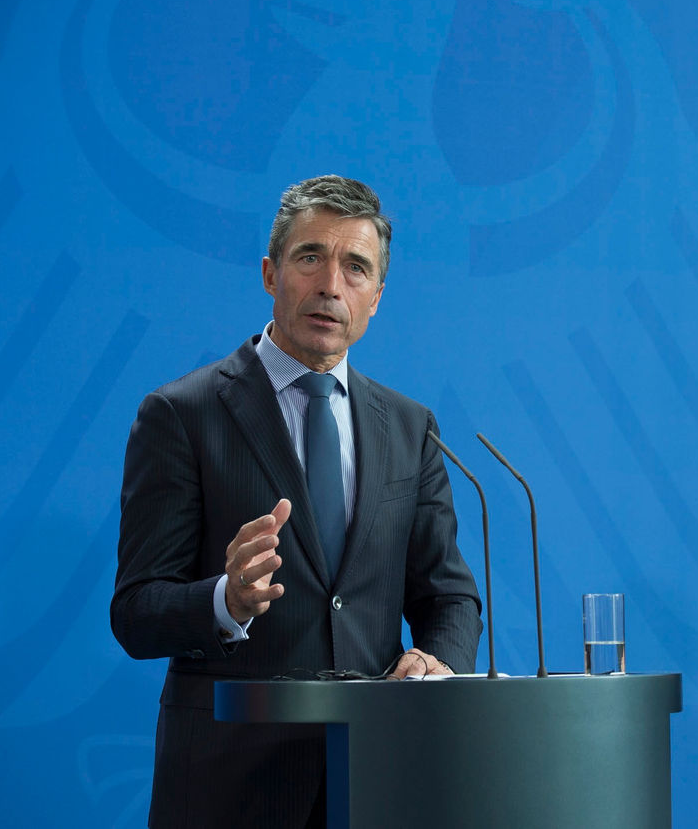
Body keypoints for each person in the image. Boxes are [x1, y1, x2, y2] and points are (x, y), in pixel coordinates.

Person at [111, 175, 483, 828]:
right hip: (232, 790)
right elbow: (137, 611)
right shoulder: (182, 415)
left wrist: (439, 660)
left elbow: (449, 597)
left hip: (382, 783)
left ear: (375, 300)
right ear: (270, 273)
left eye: (356, 268)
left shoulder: (410, 427)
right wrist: (225, 601)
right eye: (310, 256)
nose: (330, 285)